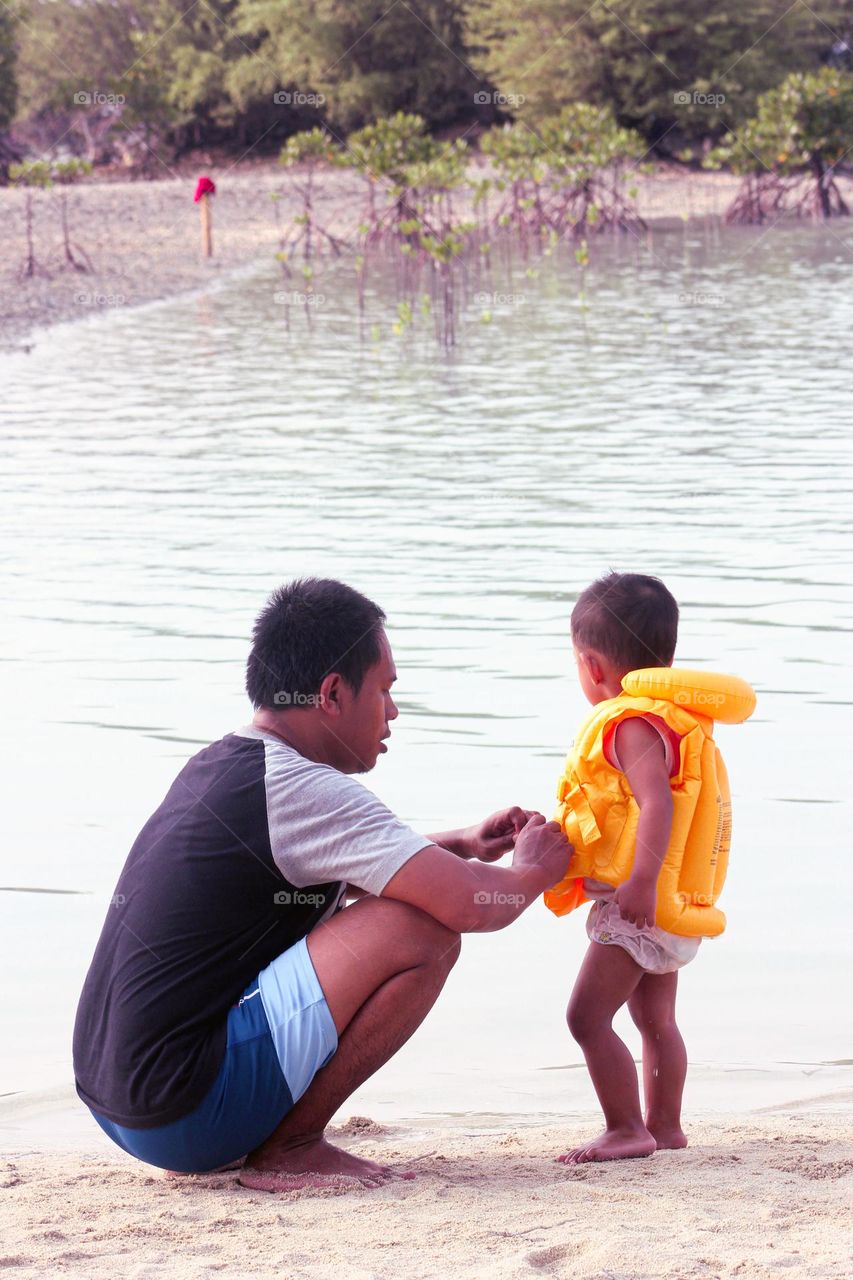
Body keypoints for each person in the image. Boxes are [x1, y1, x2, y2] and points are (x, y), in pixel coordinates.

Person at [73, 577, 569, 1192]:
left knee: (402, 907)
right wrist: (536, 871)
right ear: (333, 693)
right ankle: (293, 1144)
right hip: (184, 1113)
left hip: (120, 1103)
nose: (393, 712)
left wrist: (464, 844)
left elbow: (352, 872)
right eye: (385, 690)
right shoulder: (303, 789)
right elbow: (471, 903)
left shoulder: (227, 764)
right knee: (425, 932)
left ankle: (274, 1130)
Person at [544, 572, 748, 1164]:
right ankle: (666, 1125)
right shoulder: (673, 718)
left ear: (592, 665)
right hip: (671, 904)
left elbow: (656, 803)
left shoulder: (629, 723)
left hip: (641, 898)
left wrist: (638, 880)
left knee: (586, 1017)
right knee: (655, 1018)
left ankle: (626, 1127)